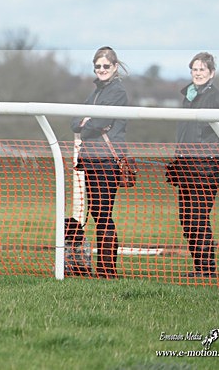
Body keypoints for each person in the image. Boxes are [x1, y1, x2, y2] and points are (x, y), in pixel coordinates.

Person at [167, 52, 219, 279]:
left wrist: (206, 152)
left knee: (198, 218)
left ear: (211, 73)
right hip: (185, 168)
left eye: (202, 70)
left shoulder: (218, 99)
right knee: (186, 219)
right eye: (194, 69)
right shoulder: (187, 97)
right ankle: (200, 267)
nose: (197, 73)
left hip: (206, 171)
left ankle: (207, 270)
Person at [71, 46, 129, 278]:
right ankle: (103, 269)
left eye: (106, 66)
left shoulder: (118, 92)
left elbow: (98, 122)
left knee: (103, 214)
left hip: (106, 161)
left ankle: (107, 270)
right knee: (97, 212)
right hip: (91, 159)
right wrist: (87, 122)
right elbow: (75, 122)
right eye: (98, 66)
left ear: (115, 67)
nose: (102, 69)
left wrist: (89, 123)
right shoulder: (95, 93)